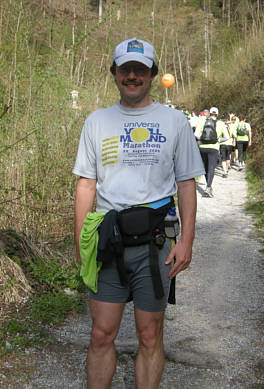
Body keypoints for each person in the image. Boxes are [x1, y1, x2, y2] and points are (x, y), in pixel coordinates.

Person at [73, 37, 205, 389]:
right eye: (125, 69)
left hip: (156, 243)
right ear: (114, 73)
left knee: (149, 336)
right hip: (107, 242)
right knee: (101, 334)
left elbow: (186, 184)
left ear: (152, 74)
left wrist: (187, 240)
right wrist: (80, 243)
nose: (132, 75)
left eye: (140, 69)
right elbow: (86, 185)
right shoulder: (96, 122)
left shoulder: (174, 121)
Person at [195, 107, 229, 197]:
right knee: (211, 168)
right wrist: (217, 140)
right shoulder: (221, 123)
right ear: (217, 115)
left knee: (205, 168)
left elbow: (196, 134)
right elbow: (227, 137)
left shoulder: (202, 121)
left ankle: (208, 187)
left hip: (202, 147)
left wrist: (202, 140)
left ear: (209, 114)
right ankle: (208, 187)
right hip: (213, 148)